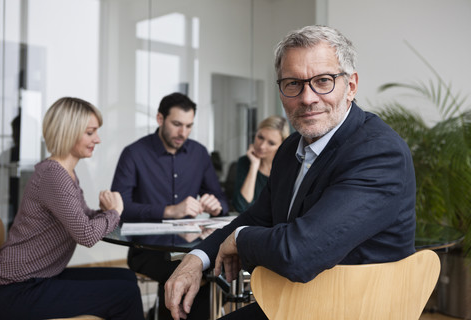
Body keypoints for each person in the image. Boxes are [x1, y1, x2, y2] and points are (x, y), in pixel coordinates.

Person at [164, 25, 416, 320]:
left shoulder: (378, 152)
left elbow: (300, 254)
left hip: (355, 309)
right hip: (301, 302)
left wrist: (241, 239)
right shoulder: (290, 149)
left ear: (351, 86)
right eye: (293, 83)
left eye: (323, 81)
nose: (307, 98)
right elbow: (257, 217)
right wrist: (197, 258)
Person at [0, 97, 144, 320]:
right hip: (16, 289)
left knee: (127, 278)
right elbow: (86, 234)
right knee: (126, 293)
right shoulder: (54, 176)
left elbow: (83, 218)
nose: (98, 139)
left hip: (40, 277)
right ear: (69, 132)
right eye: (90, 132)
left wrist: (104, 212)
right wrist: (115, 211)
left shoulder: (66, 174)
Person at [111, 92, 229, 320]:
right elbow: (119, 209)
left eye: (188, 126)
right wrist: (170, 211)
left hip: (190, 245)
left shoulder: (199, 153)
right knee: (185, 276)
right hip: (146, 250)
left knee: (211, 272)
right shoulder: (134, 154)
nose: (182, 133)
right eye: (176, 124)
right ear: (159, 119)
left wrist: (217, 205)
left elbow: (221, 198)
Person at [232, 115, 290, 213]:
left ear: (281, 145)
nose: (262, 146)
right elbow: (241, 206)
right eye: (260, 137)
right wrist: (254, 166)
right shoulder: (245, 162)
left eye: (271, 143)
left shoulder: (288, 167)